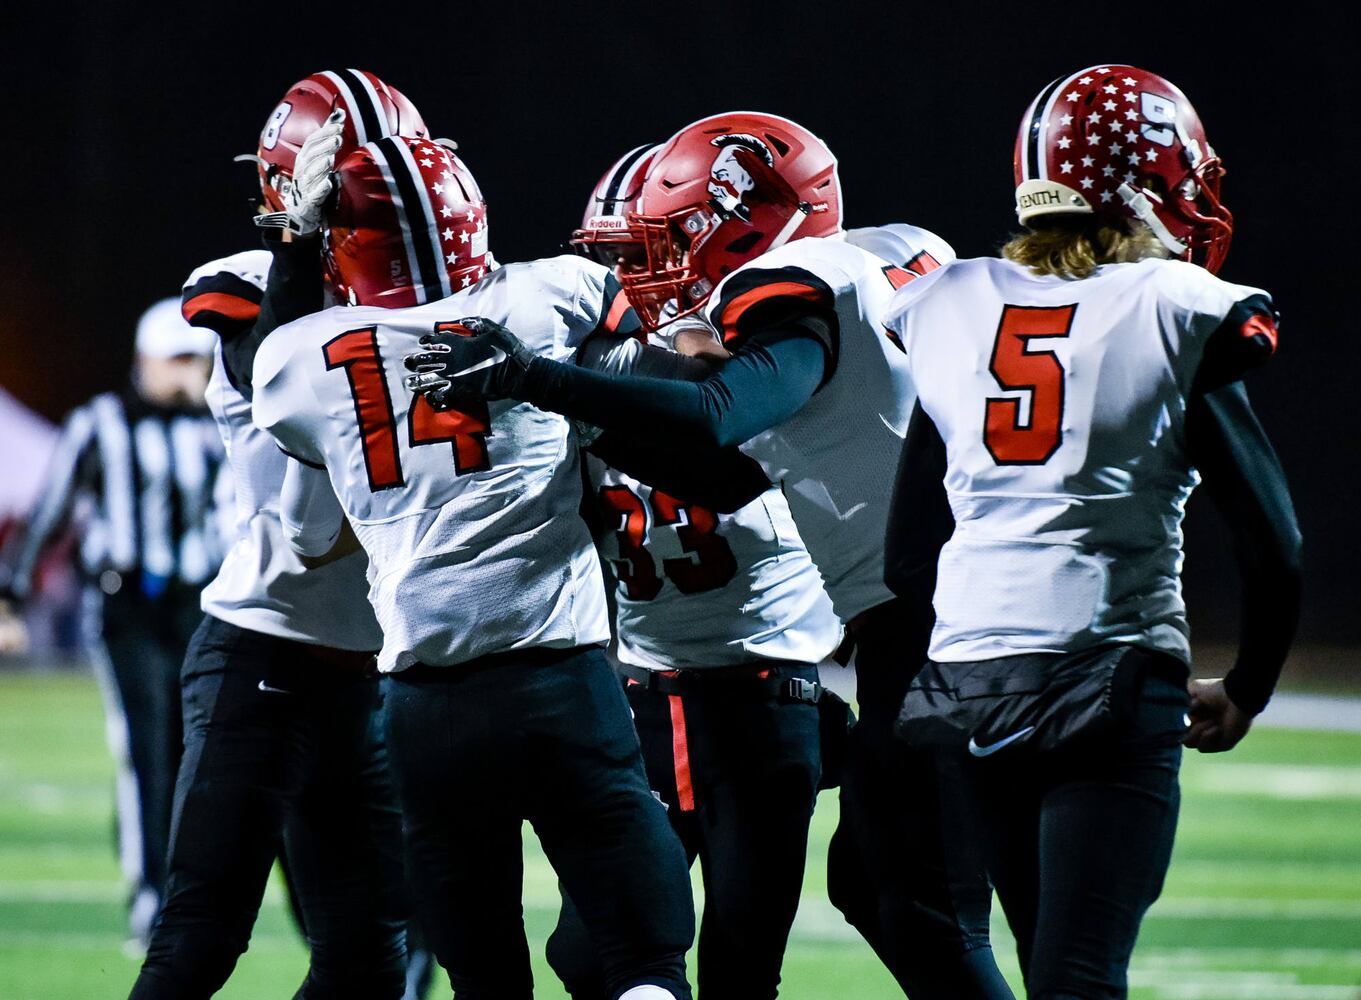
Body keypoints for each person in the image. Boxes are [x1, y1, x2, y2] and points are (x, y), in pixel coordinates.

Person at [404, 111, 1013, 999]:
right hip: (940, 608)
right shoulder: (896, 254)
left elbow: (718, 418)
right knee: (890, 891)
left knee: (916, 904)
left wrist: (534, 380)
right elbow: (728, 474)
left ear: (752, 220)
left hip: (908, 630)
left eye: (664, 241)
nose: (643, 271)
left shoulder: (792, 292)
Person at [881, 64, 1301, 998]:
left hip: (966, 685)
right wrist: (1249, 685)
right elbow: (1273, 542)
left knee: (1045, 973)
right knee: (1079, 980)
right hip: (1105, 676)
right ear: (1146, 180)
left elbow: (909, 551)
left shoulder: (946, 302)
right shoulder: (1172, 304)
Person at [251, 129, 695, 1000]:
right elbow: (657, 383)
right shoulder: (549, 296)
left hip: (428, 705)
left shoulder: (300, 358)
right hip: (563, 679)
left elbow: (278, 357)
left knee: (485, 974)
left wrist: (296, 250)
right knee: (642, 959)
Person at [127, 71, 425, 1000]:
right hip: (263, 646)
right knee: (201, 941)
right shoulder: (247, 285)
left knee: (371, 958)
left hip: (373, 669)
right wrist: (298, 246)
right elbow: (276, 372)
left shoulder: (446, 298)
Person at [545, 144, 844, 1000]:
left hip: (763, 692)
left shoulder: (757, 364)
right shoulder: (600, 364)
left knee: (740, 969)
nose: (612, 275)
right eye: (609, 255)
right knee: (590, 950)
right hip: (643, 693)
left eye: (632, 254)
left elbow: (717, 428)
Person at [0, 299, 227, 949]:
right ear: (146, 360)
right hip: (125, 605)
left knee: (194, 752)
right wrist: (9, 594)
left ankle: (181, 886)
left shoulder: (219, 424)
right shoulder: (101, 424)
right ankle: (152, 897)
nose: (192, 375)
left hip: (199, 604)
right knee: (144, 748)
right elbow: (50, 510)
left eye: (199, 360)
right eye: (180, 360)